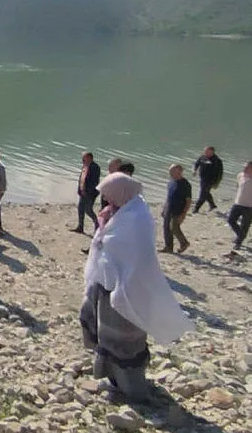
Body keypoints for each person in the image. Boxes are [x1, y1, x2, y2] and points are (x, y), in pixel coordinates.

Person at [80, 173, 194, 401]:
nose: (107, 201)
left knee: (124, 340)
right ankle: (112, 379)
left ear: (122, 193)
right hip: (107, 284)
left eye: (110, 196)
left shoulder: (137, 217)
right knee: (106, 333)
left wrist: (105, 232)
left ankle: (133, 391)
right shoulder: (123, 210)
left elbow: (127, 249)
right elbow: (105, 241)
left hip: (128, 288)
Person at [227, 161, 252, 253]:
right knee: (231, 220)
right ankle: (241, 236)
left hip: (250, 206)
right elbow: (238, 186)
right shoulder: (240, 175)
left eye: (247, 167)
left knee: (245, 224)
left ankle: (239, 242)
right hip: (238, 203)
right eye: (244, 167)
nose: (244, 169)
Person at [160, 164, 192, 253]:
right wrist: (164, 208)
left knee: (174, 227)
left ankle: (184, 243)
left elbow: (188, 200)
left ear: (179, 171)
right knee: (166, 228)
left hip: (178, 209)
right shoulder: (171, 182)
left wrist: (184, 213)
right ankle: (168, 247)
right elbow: (169, 196)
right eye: (170, 171)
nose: (170, 173)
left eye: (172, 171)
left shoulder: (185, 184)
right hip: (169, 208)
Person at [73, 152, 101, 234]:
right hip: (83, 192)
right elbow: (82, 178)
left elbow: (94, 182)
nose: (82, 160)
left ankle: (97, 223)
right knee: (80, 209)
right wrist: (80, 189)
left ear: (90, 158)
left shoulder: (95, 167)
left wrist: (87, 192)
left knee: (88, 210)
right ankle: (80, 227)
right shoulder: (85, 165)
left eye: (84, 158)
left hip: (90, 193)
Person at [192, 146, 224, 213]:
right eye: (205, 151)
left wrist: (217, 183)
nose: (205, 152)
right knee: (206, 193)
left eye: (207, 151)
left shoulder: (217, 160)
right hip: (203, 179)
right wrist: (194, 170)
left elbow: (220, 173)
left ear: (212, 152)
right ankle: (212, 205)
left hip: (210, 181)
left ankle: (196, 209)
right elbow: (197, 163)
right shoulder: (203, 157)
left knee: (203, 194)